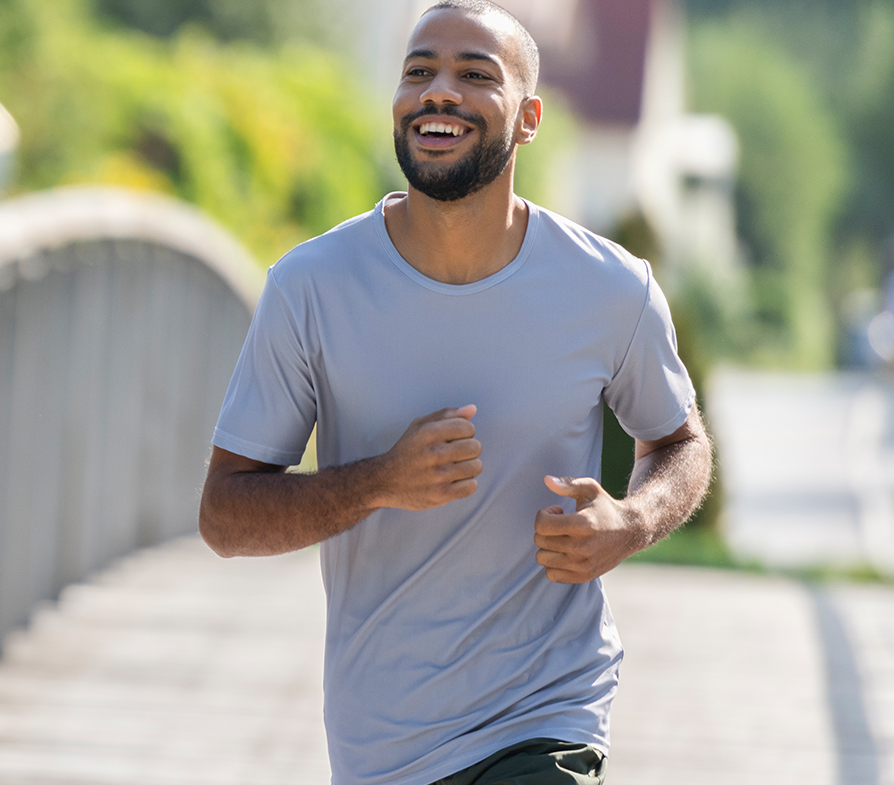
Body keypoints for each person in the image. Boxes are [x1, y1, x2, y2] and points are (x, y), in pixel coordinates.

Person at [196, 2, 713, 784]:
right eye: (418, 72)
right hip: (382, 741)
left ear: (528, 118)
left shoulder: (608, 288)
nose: (438, 90)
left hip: (547, 712)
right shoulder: (311, 287)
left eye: (475, 74)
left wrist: (629, 520)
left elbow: (678, 442)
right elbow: (225, 515)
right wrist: (376, 481)